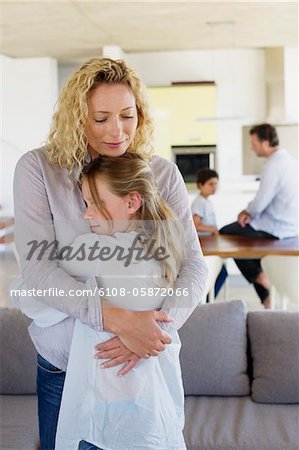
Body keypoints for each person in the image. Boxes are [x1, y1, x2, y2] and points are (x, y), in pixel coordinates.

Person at [13, 57, 207, 449]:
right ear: (77, 117)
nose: (117, 131)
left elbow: (193, 266)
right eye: (101, 118)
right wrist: (118, 319)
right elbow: (39, 271)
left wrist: (153, 332)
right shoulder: (39, 170)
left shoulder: (161, 175)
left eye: (127, 115)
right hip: (64, 371)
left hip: (141, 364)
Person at [220, 123, 298, 309]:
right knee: (246, 243)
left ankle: (260, 278)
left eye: (253, 142)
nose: (252, 147)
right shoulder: (291, 161)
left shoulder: (274, 166)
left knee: (228, 234)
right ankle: (265, 296)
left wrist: (247, 212)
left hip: (274, 228)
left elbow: (261, 201)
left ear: (265, 143)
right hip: (290, 226)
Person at [191, 168, 228, 298]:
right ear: (201, 185)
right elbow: (195, 225)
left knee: (220, 272)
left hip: (208, 243)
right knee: (221, 272)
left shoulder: (206, 201)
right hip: (203, 245)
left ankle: (207, 299)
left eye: (216, 184)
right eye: (211, 184)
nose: (214, 187)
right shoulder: (199, 202)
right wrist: (213, 229)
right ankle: (206, 300)